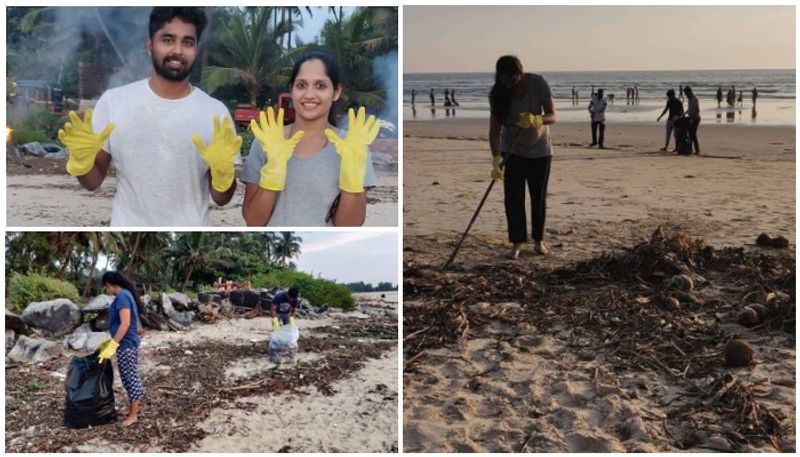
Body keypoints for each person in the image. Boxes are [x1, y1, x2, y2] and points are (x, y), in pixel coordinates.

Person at [57, 7, 240, 226]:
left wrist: (223, 177)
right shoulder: (114, 102)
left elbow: (222, 198)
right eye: (168, 40)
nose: (178, 50)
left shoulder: (215, 112)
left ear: (196, 50)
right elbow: (93, 182)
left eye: (187, 42)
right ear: (150, 45)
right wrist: (81, 162)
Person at [240, 52, 378, 226]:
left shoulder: (354, 147)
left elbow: (349, 226)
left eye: (320, 86)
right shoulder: (265, 143)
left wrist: (351, 176)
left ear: (336, 92)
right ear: (291, 90)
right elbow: (253, 221)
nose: (309, 94)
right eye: (301, 85)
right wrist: (273, 172)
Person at [488, 55, 557, 260]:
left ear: (521, 73)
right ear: (499, 77)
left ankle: (538, 240)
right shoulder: (497, 94)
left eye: (513, 80)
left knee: (538, 197)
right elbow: (494, 130)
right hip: (513, 151)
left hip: (540, 151)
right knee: (513, 199)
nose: (510, 85)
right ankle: (516, 243)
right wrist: (496, 158)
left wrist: (537, 119)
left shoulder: (538, 83)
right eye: (505, 81)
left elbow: (552, 115)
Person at [96, 271, 145, 428]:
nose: (107, 289)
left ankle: (133, 415)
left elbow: (125, 323)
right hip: (128, 342)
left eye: (106, 287)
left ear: (109, 284)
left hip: (126, 344)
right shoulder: (127, 294)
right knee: (130, 376)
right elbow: (133, 319)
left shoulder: (122, 296)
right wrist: (137, 329)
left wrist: (112, 345)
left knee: (130, 378)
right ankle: (134, 409)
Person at [683, 86, 701, 154]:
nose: (686, 95)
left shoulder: (694, 99)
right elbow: (690, 109)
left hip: (696, 118)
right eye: (685, 94)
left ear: (689, 92)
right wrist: (685, 113)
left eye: (686, 94)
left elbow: (697, 110)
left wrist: (692, 119)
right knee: (691, 134)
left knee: (692, 134)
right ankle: (692, 149)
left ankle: (696, 150)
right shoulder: (689, 99)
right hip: (691, 117)